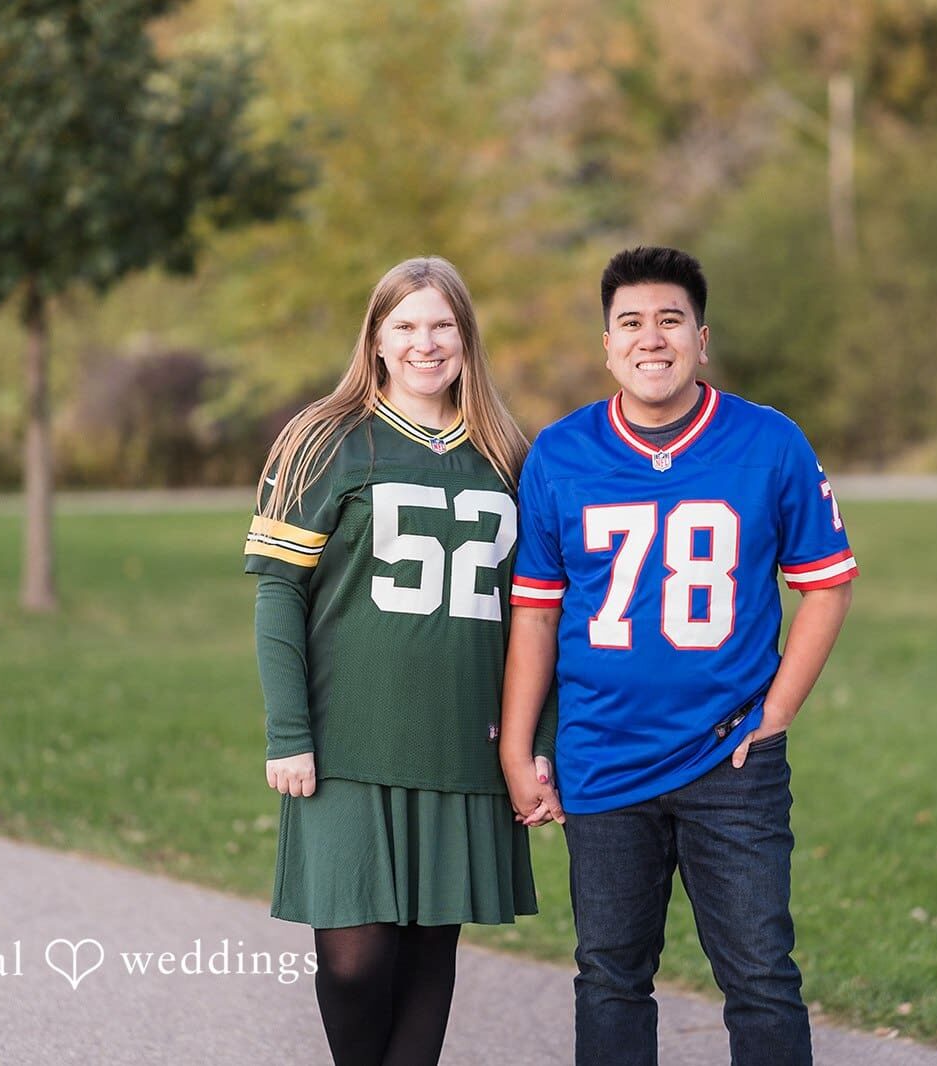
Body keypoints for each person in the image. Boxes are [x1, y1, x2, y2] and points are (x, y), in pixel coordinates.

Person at [500, 246, 857, 1066]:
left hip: (731, 757)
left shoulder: (769, 441)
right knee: (610, 977)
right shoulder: (561, 452)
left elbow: (828, 585)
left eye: (670, 320)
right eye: (630, 322)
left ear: (701, 338)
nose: (650, 338)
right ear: (607, 345)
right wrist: (519, 750)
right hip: (603, 756)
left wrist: (775, 716)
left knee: (760, 977)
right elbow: (536, 614)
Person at [245, 256, 553, 1066]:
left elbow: (540, 613)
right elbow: (278, 593)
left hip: (463, 739)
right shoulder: (324, 439)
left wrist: (536, 740)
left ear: (466, 338)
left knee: (426, 956)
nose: (426, 343)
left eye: (443, 325)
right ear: (376, 340)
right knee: (355, 961)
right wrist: (288, 733)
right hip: (347, 740)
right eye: (406, 325)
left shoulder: (507, 453)